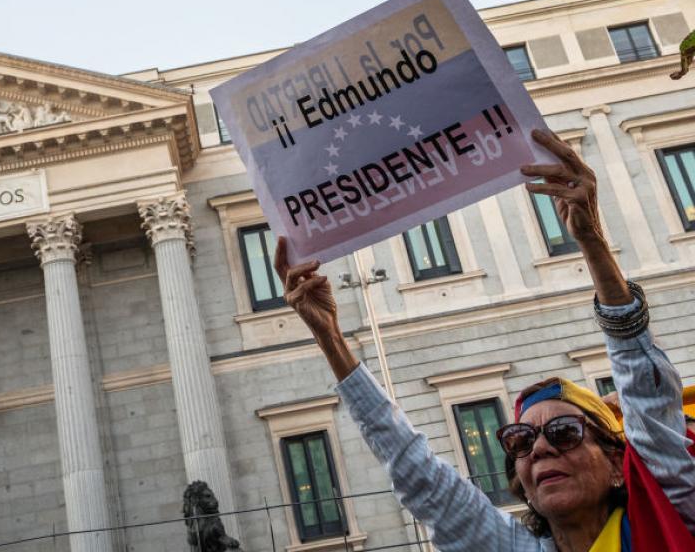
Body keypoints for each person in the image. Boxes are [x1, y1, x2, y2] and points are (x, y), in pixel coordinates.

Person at [274, 128, 695, 552]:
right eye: (520, 442)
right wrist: (329, 335)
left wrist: (591, 241)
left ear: (618, 466)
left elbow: (644, 389)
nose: (541, 448)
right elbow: (417, 474)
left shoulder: (670, 508)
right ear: (522, 485)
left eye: (565, 432)